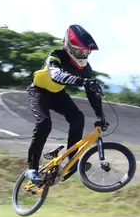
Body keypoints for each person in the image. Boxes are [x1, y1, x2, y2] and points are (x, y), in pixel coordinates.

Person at [25, 24, 107, 184]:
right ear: (69, 47)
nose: (83, 55)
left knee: (78, 118)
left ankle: (72, 159)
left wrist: (100, 116)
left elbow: (91, 94)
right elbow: (57, 76)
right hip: (39, 92)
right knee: (44, 123)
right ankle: (31, 167)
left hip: (57, 94)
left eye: (86, 52)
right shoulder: (56, 56)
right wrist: (82, 81)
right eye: (79, 51)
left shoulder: (85, 69)